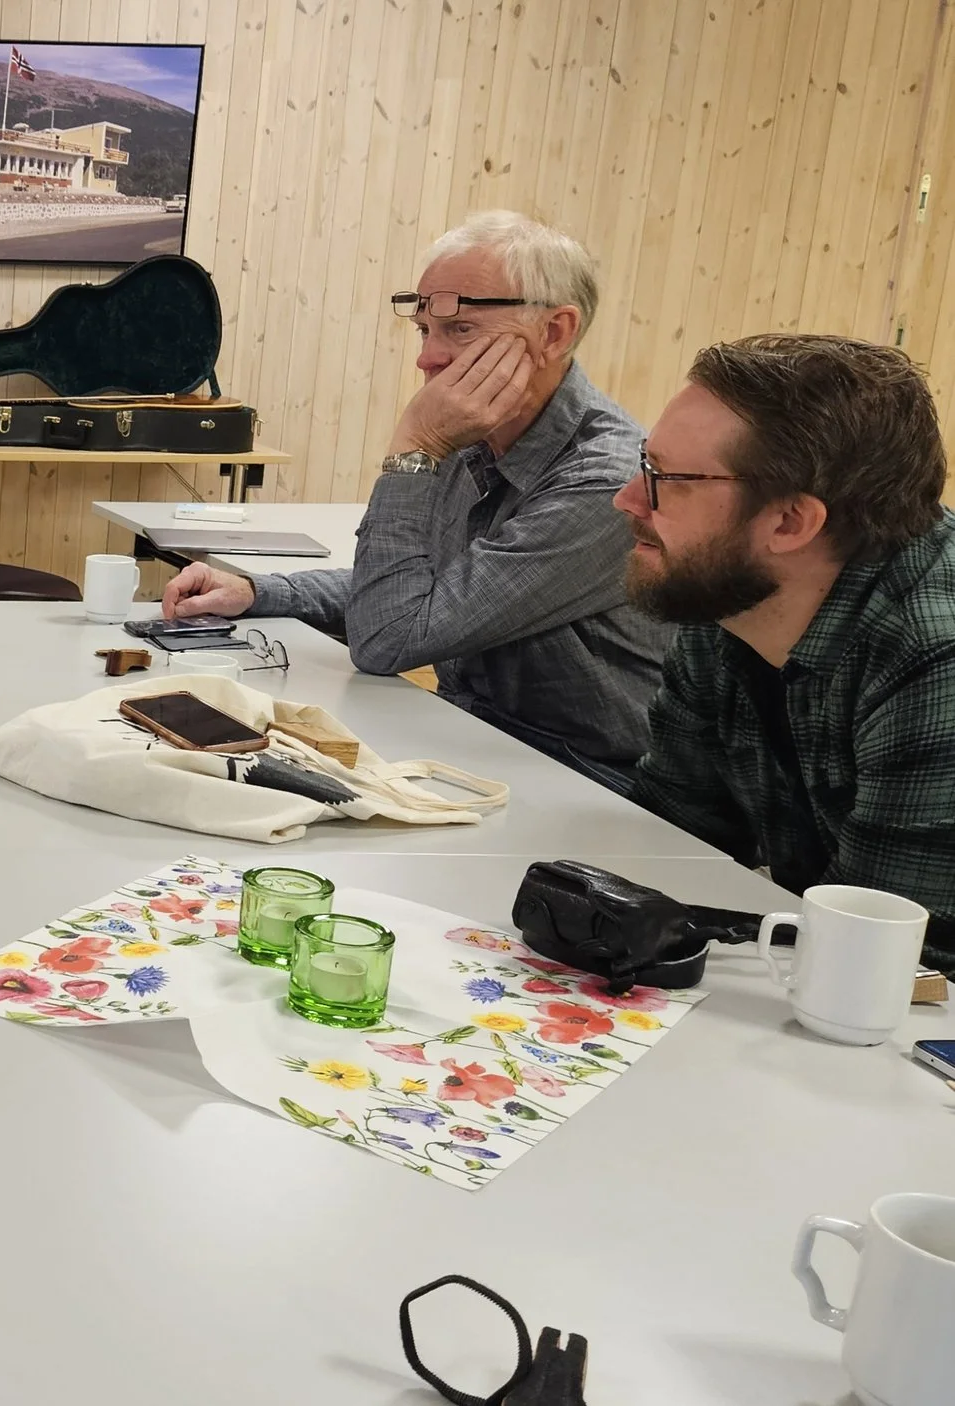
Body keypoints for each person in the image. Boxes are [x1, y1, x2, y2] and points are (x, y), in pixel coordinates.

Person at [164, 211, 670, 787]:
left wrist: (416, 449)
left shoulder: (605, 480)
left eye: (461, 329)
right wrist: (259, 592)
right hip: (471, 736)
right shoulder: (475, 431)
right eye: (425, 330)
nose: (427, 358)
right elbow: (422, 588)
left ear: (555, 333)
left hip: (581, 778)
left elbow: (391, 636)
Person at [619, 334, 954, 973]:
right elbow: (671, 841)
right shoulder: (734, 593)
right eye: (644, 463)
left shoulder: (933, 655)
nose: (628, 498)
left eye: (665, 479)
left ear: (790, 523)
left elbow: (893, 964)